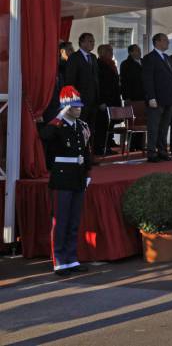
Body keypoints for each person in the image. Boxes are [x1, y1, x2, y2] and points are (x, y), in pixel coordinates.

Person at [40, 86, 93, 276]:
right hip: (62, 177)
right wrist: (58, 117)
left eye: (79, 106)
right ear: (66, 108)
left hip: (77, 177)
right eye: (75, 107)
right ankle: (60, 260)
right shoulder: (57, 126)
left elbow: (85, 153)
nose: (79, 109)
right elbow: (44, 136)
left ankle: (71, 258)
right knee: (61, 220)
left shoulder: (82, 126)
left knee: (74, 221)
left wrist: (87, 174)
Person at [63, 33, 100, 156]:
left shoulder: (93, 58)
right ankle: (79, 153)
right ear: (81, 43)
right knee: (79, 128)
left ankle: (89, 154)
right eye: (89, 41)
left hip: (93, 100)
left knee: (91, 129)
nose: (92, 43)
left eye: (93, 41)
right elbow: (70, 80)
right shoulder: (74, 57)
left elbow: (96, 79)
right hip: (80, 100)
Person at [142, 33, 172, 162]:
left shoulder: (167, 58)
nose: (168, 42)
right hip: (156, 99)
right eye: (165, 40)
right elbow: (148, 79)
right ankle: (151, 152)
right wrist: (151, 97)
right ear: (157, 42)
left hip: (168, 98)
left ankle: (162, 151)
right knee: (154, 126)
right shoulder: (149, 58)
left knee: (164, 127)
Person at [95, 44, 121, 156]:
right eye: (109, 51)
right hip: (104, 100)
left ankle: (108, 144)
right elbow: (98, 84)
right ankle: (101, 148)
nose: (111, 53)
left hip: (113, 99)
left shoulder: (111, 64)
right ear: (102, 52)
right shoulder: (98, 64)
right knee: (102, 126)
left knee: (110, 124)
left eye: (111, 50)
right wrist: (100, 101)